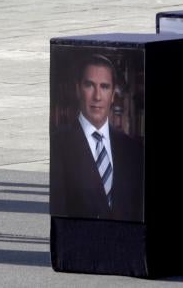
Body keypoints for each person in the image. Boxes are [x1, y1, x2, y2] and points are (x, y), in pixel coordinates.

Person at [50, 54, 143, 221]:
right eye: (90, 85)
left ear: (113, 94)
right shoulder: (57, 146)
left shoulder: (133, 150)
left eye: (105, 87)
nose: (97, 96)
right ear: (78, 89)